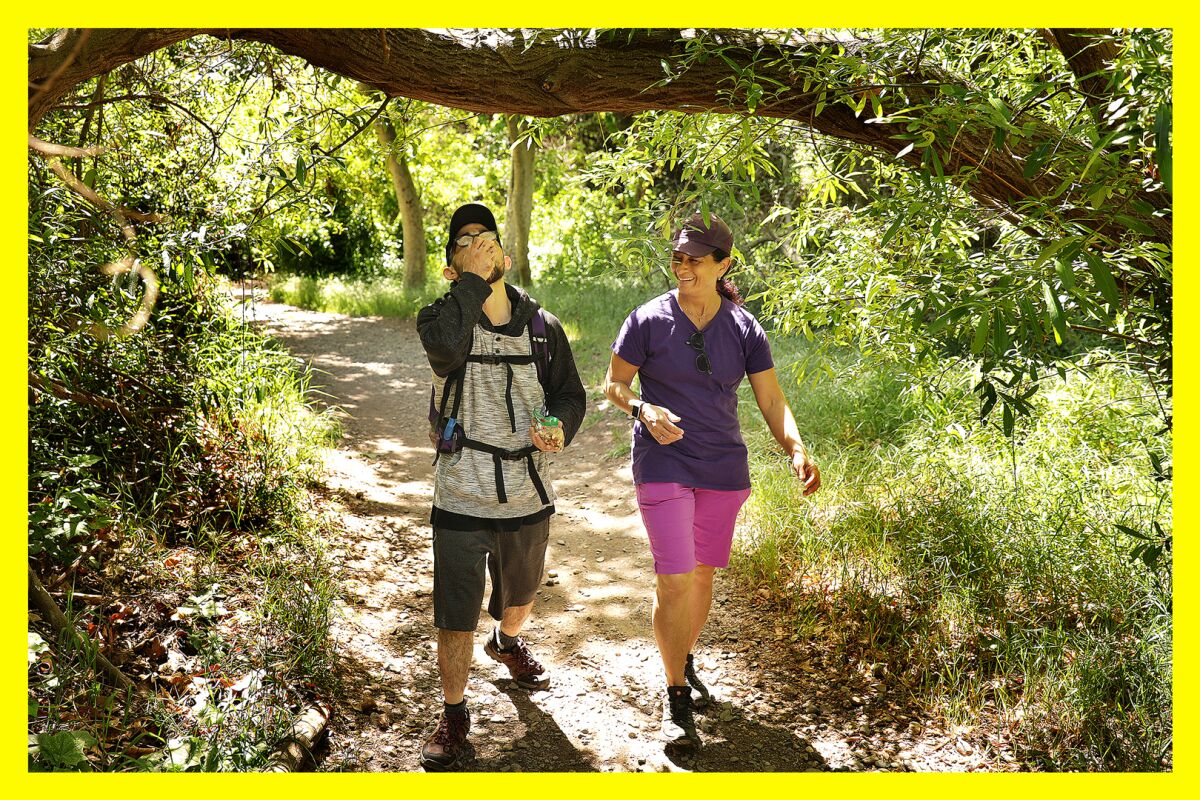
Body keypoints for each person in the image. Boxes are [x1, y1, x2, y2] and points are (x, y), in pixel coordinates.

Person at [604, 211, 821, 751]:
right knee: (674, 577)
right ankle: (675, 696)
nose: (682, 267)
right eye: (677, 257)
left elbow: (770, 398)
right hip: (662, 461)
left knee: (701, 578)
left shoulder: (745, 329)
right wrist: (643, 410)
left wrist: (795, 446)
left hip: (724, 468)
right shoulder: (647, 320)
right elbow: (614, 385)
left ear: (723, 264)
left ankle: (683, 654)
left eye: (694, 259)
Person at [416, 202, 586, 770]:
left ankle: (507, 640)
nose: (478, 244)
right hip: (460, 490)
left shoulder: (543, 328)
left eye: (486, 237)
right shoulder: (441, 318)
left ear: (507, 257)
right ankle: (455, 713)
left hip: (527, 491)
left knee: (519, 602)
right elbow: (444, 350)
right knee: (454, 614)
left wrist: (559, 426)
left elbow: (570, 394)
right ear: (450, 270)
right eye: (463, 242)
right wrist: (470, 282)